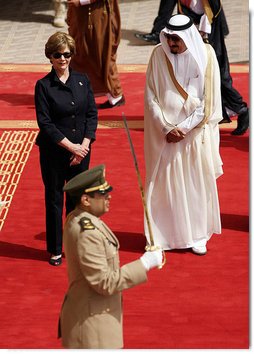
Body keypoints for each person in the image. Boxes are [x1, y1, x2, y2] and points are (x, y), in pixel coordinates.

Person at [58, 164, 163, 348]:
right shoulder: (86, 232)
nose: (109, 196)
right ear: (86, 200)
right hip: (92, 327)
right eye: (102, 193)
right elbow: (104, 282)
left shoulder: (82, 218)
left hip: (95, 315)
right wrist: (144, 263)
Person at [144, 14, 223, 255]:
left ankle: (198, 236)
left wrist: (184, 129)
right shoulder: (158, 55)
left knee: (195, 185)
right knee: (164, 187)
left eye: (176, 40)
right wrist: (166, 127)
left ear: (188, 37)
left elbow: (209, 102)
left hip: (193, 135)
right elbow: (151, 96)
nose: (171, 44)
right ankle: (161, 236)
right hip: (165, 135)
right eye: (168, 38)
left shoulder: (207, 56)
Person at [136, 0, 249, 135]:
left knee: (219, 79)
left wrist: (200, 34)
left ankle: (242, 110)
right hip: (187, 39)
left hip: (206, 38)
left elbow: (211, 11)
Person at [34, 32, 98, 266]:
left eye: (67, 54)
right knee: (54, 199)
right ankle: (56, 249)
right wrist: (70, 146)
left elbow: (91, 114)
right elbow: (45, 123)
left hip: (81, 151)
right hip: (54, 153)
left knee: (78, 200)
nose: (63, 59)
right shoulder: (42, 86)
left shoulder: (83, 80)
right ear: (49, 57)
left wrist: (84, 145)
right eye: (57, 55)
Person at [66, 0, 125, 108]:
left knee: (101, 54)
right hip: (82, 16)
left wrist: (81, 2)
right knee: (80, 53)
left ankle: (114, 94)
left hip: (97, 15)